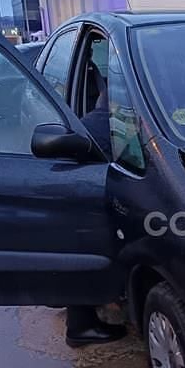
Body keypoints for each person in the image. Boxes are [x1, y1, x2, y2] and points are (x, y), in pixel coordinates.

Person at [65, 62, 125, 348]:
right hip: (84, 199)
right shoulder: (111, 127)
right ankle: (80, 326)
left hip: (74, 195)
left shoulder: (91, 121)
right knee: (84, 252)